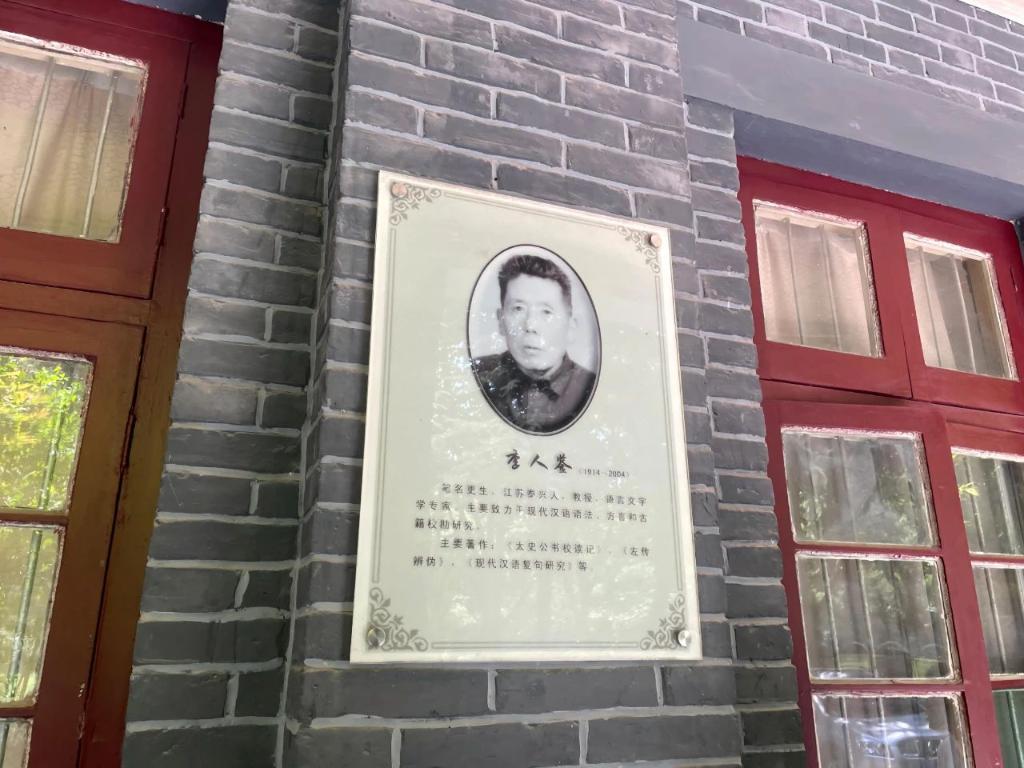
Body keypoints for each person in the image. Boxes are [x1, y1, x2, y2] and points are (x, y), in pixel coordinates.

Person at [472, 252, 596, 434]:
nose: (530, 325)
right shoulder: (477, 375)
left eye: (546, 312)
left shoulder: (590, 387)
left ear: (570, 326)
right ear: (501, 321)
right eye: (518, 309)